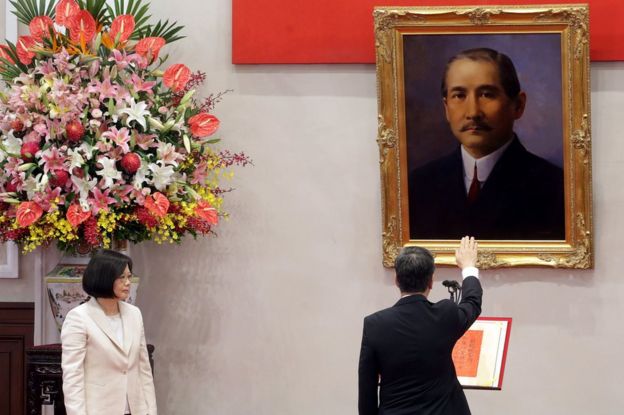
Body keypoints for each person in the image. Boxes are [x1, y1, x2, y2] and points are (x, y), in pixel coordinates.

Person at [408, 47, 564, 240]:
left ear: (518, 105)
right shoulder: (418, 186)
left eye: (487, 94)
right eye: (459, 95)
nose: (473, 112)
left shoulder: (556, 188)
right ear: (446, 108)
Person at [358, 236, 482, 415]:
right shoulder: (445, 315)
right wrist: (468, 267)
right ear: (431, 281)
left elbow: (367, 392)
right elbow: (472, 302)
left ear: (397, 280)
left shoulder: (374, 325)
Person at [61, 249, 157, 415]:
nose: (128, 283)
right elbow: (73, 377)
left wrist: (151, 410)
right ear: (104, 278)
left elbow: (144, 369)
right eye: (121, 277)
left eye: (129, 276)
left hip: (136, 409)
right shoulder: (78, 318)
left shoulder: (134, 314)